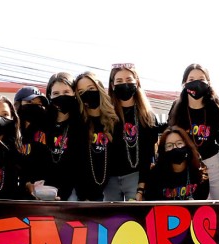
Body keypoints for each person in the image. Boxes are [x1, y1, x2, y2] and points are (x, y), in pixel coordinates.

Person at [168, 63, 219, 200]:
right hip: (188, 167)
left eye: (201, 79)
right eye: (191, 79)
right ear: (184, 83)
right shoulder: (177, 108)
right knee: (193, 214)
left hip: (214, 167)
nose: (196, 83)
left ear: (208, 83)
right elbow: (168, 138)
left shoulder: (214, 109)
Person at [105, 63, 165, 201]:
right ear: (112, 85)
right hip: (110, 181)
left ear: (136, 82)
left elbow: (148, 154)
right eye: (119, 81)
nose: (124, 84)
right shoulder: (107, 114)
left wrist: (141, 187)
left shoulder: (147, 116)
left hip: (136, 177)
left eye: (128, 80)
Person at [74, 71, 118, 201]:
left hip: (111, 191)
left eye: (91, 88)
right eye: (81, 92)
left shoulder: (114, 119)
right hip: (83, 196)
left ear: (99, 88)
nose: (87, 94)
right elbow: (76, 162)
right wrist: (83, 195)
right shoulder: (78, 122)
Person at [43, 72, 84, 201]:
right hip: (45, 194)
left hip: (74, 195)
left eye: (66, 92)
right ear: (49, 96)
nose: (62, 97)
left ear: (74, 94)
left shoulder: (82, 123)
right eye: (56, 93)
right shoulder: (42, 123)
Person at [139, 126, 209, 201]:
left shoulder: (199, 173)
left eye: (179, 143)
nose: (175, 148)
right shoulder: (155, 176)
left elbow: (202, 199)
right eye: (169, 146)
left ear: (187, 145)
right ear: (163, 150)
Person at [12, 86, 51, 199]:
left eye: (38, 103)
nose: (35, 106)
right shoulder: (11, 130)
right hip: (16, 195)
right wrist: (26, 183)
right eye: (29, 102)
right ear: (18, 104)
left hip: (44, 193)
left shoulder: (47, 129)